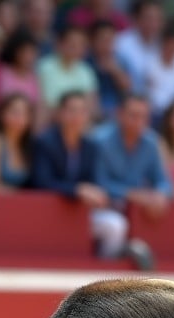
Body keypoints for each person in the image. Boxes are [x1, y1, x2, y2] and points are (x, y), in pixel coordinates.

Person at [31, 90, 123, 262]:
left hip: (80, 212)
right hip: (49, 213)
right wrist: (76, 190)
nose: (76, 116)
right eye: (71, 110)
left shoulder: (91, 147)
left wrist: (98, 194)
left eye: (82, 111)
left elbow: (95, 182)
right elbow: (41, 182)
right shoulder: (45, 142)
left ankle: (104, 275)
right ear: (60, 113)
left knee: (115, 225)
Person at [93, 92, 172, 267]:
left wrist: (160, 194)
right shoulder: (99, 140)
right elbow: (98, 182)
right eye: (133, 115)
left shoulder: (151, 142)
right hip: (101, 208)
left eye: (143, 116)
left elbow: (163, 181)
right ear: (119, 114)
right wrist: (132, 194)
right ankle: (106, 271)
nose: (138, 121)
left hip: (137, 212)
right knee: (115, 226)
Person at [36, 25, 98, 113]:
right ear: (59, 44)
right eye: (72, 44)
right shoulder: (44, 67)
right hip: (50, 118)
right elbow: (42, 102)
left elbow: (91, 104)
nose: (76, 48)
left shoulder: (86, 71)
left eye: (80, 44)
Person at [0, 92, 33, 190]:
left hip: (26, 202)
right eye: (15, 112)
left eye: (24, 113)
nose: (19, 117)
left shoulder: (30, 144)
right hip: (0, 202)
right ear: (2, 114)